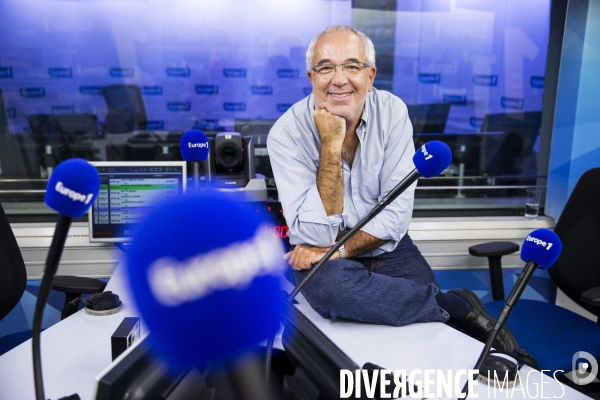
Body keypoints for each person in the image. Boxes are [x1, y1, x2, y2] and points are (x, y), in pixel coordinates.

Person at [267, 25, 517, 352]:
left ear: (371, 76)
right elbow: (315, 236)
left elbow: (394, 220)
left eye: (352, 66)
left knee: (431, 333)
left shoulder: (393, 112)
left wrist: (338, 250)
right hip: (328, 262)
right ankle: (452, 304)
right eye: (326, 67)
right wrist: (330, 144)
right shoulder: (285, 135)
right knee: (329, 291)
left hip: (387, 247)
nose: (339, 79)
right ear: (311, 77)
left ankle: (455, 318)